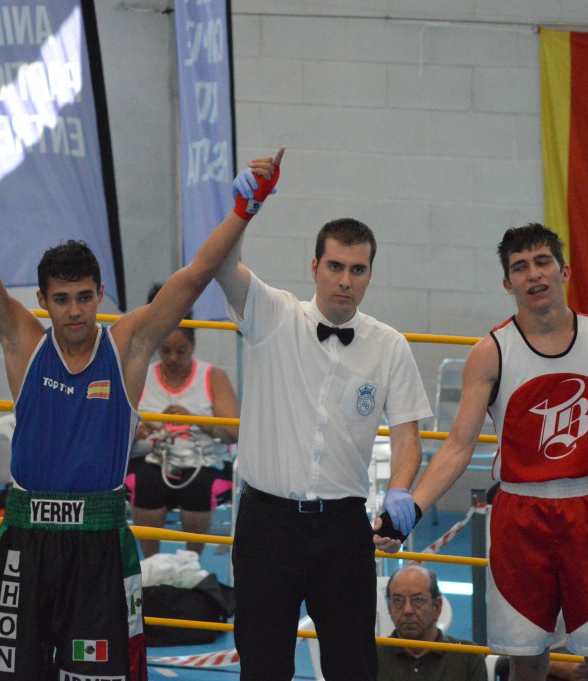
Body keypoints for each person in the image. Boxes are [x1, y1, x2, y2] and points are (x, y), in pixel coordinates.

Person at [0, 120, 280, 681]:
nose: (75, 311)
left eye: (84, 297)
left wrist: (245, 209)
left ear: (100, 294)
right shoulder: (23, 342)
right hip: (26, 541)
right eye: (62, 299)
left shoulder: (127, 347)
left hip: (100, 544)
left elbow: (198, 273)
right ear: (44, 300)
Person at [215, 160, 433, 681]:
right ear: (314, 267)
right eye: (335, 266)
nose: (345, 280)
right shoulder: (272, 315)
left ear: (369, 275)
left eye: (357, 270)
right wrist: (244, 209)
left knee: (352, 667)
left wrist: (401, 491)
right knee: (263, 668)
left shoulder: (389, 345)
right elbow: (220, 265)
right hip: (266, 523)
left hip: (343, 528)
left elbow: (408, 439)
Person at [408, 223, 588, 681]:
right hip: (521, 515)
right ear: (507, 282)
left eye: (542, 262)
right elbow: (459, 445)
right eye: (520, 267)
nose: (533, 275)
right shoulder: (491, 352)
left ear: (564, 270)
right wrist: (411, 509)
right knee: (526, 659)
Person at [125, 283, 240, 557]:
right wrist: (136, 431)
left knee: (199, 488)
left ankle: (190, 566)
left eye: (181, 351)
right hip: (153, 459)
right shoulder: (139, 375)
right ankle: (151, 567)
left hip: (202, 463)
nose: (173, 358)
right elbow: (115, 429)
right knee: (144, 483)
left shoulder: (214, 377)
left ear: (193, 345)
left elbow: (234, 433)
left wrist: (197, 420)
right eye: (165, 351)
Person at [379, 564, 488, 681]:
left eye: (417, 600)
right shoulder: (372, 657)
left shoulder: (467, 657)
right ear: (389, 608)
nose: (407, 610)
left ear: (437, 607)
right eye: (398, 601)